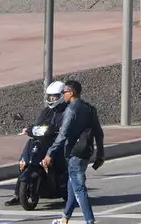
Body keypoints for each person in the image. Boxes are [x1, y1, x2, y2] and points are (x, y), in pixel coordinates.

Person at [42, 79, 104, 224]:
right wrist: (101, 153)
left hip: (74, 153)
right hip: (86, 151)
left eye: (64, 92)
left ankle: (89, 220)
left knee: (79, 189)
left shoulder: (70, 110)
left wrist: (50, 153)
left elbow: (63, 134)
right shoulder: (90, 108)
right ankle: (65, 218)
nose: (63, 95)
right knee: (72, 186)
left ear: (71, 93)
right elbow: (99, 132)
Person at [5, 80, 68, 206]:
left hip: (58, 143)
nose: (51, 99)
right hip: (43, 141)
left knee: (61, 161)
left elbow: (69, 126)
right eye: (50, 96)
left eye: (54, 96)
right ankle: (18, 194)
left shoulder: (67, 110)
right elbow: (38, 124)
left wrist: (61, 129)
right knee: (25, 161)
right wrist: (29, 129)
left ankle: (65, 187)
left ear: (61, 96)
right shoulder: (46, 111)